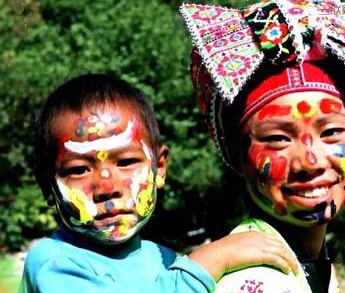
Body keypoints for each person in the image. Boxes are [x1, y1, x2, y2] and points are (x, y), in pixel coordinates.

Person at [18, 73, 300, 293]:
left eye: (126, 162)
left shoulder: (162, 259)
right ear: (48, 187)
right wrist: (211, 261)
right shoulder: (55, 264)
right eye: (79, 169)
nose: (107, 187)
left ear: (159, 167)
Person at [179, 0, 345, 292]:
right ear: (236, 152)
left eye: (331, 132)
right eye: (277, 139)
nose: (310, 161)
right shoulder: (255, 280)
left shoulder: (308, 265)